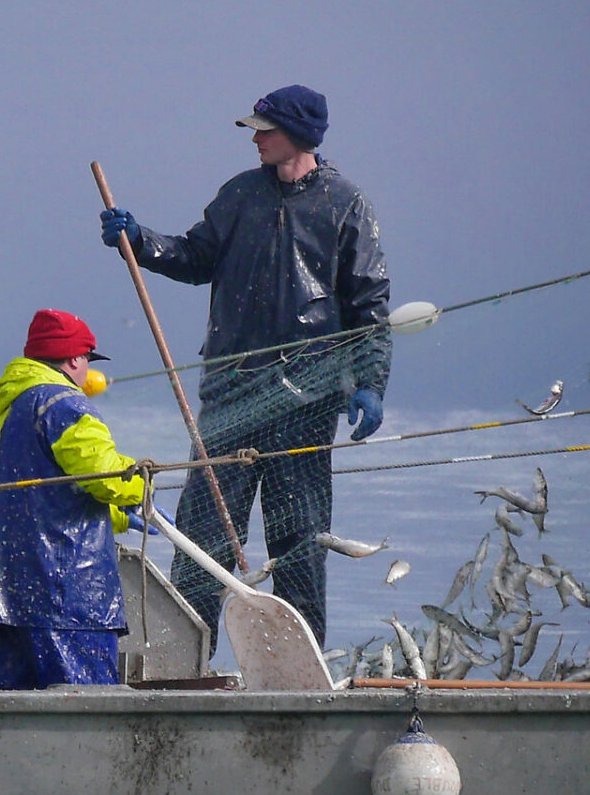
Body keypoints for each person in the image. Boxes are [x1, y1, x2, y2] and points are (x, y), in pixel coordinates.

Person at [97, 84, 390, 650]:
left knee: (300, 543)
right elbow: (194, 256)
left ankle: (301, 672)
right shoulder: (239, 196)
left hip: (309, 400)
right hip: (230, 395)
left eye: (265, 129)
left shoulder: (346, 204)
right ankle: (186, 659)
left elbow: (369, 306)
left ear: (299, 137)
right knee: (203, 535)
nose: (254, 138)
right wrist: (140, 240)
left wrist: (371, 383)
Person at [0, 309, 148, 689]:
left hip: (0, 604)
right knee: (86, 721)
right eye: (86, 361)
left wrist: (116, 517)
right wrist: (142, 486)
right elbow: (105, 476)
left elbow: (36, 497)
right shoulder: (63, 403)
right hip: (67, 600)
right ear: (75, 359)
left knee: (11, 725)